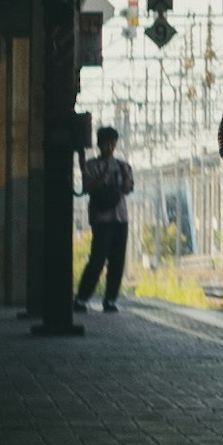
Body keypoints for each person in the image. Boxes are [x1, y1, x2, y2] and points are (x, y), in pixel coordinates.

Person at [73, 125, 131, 316]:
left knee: (117, 260)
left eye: (112, 144)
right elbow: (88, 187)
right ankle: (82, 298)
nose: (109, 147)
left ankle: (111, 299)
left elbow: (128, 188)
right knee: (97, 259)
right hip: (101, 219)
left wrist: (123, 178)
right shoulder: (91, 165)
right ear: (99, 144)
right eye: (106, 144)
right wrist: (105, 174)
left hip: (120, 218)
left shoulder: (123, 165)